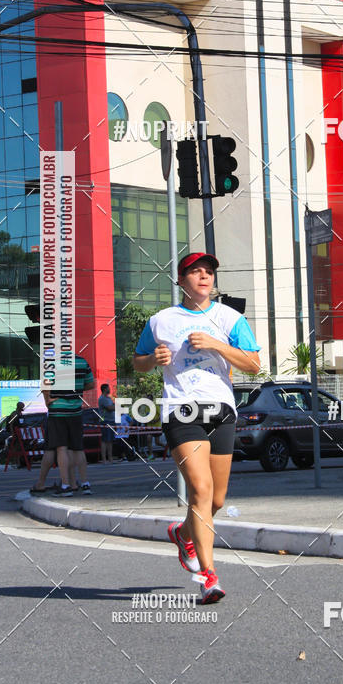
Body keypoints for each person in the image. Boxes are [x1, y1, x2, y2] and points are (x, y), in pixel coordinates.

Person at [133, 252, 260, 604]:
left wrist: (217, 344)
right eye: (195, 271)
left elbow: (253, 365)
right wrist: (152, 360)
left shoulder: (229, 318)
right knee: (200, 491)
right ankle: (209, 577)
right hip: (181, 410)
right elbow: (137, 362)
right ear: (181, 279)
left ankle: (183, 533)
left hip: (221, 410)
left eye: (209, 272)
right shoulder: (161, 321)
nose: (204, 277)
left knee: (216, 499)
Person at [43, 353, 95, 496]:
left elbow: (46, 385)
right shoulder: (82, 361)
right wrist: (75, 389)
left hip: (58, 412)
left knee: (61, 449)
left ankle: (66, 486)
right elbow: (91, 384)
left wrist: (47, 400)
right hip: (76, 411)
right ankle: (85, 484)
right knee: (78, 448)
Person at [98, 384, 115, 464]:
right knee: (105, 440)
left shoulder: (108, 398)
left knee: (110, 440)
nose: (110, 389)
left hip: (111, 420)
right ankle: (104, 459)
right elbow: (110, 408)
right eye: (108, 388)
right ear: (105, 389)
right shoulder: (102, 399)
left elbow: (113, 406)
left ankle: (110, 458)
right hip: (105, 421)